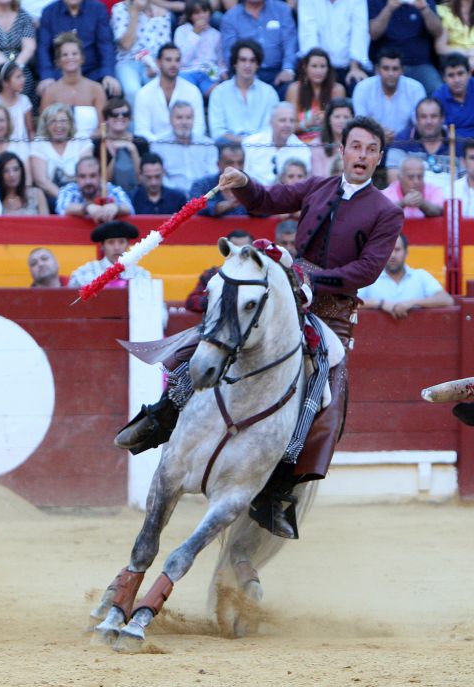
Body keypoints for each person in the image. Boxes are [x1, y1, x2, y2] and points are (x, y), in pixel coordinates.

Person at [120, 115, 405, 540]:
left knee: (329, 388)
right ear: (341, 150)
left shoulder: (386, 211)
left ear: (378, 157)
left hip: (330, 314)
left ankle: (281, 486)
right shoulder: (317, 187)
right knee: (218, 333)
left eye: (370, 149)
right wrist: (241, 182)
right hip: (287, 294)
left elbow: (364, 271)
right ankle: (163, 414)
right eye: (355, 147)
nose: (361, 155)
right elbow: (268, 199)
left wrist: (310, 277)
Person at [36, 0, 120, 100]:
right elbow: (43, 48)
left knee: (112, 89)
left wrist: (108, 73)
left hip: (93, 71)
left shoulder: (98, 9)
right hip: (61, 73)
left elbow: (105, 43)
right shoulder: (49, 12)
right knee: (46, 89)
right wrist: (47, 76)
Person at [358, 233, 455, 316]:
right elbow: (349, 302)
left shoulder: (420, 276)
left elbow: (447, 299)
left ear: (406, 253)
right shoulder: (370, 277)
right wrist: (380, 303)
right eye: (388, 250)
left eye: (397, 249)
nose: (392, 255)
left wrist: (412, 303)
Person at [207, 39, 280, 143]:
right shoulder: (219, 92)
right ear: (235, 64)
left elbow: (268, 131)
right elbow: (218, 132)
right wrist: (245, 142)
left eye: (252, 60)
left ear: (257, 65)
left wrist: (250, 144)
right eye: (243, 60)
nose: (247, 65)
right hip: (228, 149)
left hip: (260, 149)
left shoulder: (269, 93)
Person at [38, 31, 106, 138]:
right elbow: (43, 129)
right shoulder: (50, 92)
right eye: (65, 55)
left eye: (74, 54)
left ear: (82, 58)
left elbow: (103, 128)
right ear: (58, 61)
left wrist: (85, 141)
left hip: (92, 146)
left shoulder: (96, 89)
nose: (70, 58)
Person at [367, 0, 445, 95]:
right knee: (375, 95)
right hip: (388, 65)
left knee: (438, 92)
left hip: (419, 64)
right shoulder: (376, 2)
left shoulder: (424, 1)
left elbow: (438, 32)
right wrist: (388, 9)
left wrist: (425, 9)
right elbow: (373, 34)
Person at [219, 0, 298, 92]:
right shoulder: (230, 17)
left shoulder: (282, 10)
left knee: (291, 88)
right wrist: (249, 75)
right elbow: (230, 53)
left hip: (278, 72)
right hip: (246, 71)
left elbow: (290, 42)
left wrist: (287, 69)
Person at [133, 42, 206, 143]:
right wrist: (164, 145)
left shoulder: (193, 91)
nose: (173, 64)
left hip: (189, 147)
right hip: (155, 150)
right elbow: (142, 131)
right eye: (168, 60)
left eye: (177, 60)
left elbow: (198, 128)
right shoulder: (144, 93)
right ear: (158, 63)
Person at [351, 48, 426, 142]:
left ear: (402, 70)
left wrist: (400, 137)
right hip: (371, 141)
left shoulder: (416, 89)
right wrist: (378, 134)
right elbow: (360, 121)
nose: (391, 73)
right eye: (386, 68)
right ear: (377, 70)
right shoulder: (363, 88)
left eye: (395, 69)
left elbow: (419, 122)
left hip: (405, 143)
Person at [110, 0, 172, 109]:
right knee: (133, 91)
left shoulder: (162, 12)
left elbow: (165, 48)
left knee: (160, 91)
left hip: (154, 63)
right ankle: (136, 126)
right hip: (127, 61)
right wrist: (135, 13)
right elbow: (126, 45)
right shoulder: (119, 8)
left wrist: (155, 65)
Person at [297, 0, 371, 90]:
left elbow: (360, 31)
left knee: (358, 85)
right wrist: (317, 67)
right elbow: (308, 35)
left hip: (349, 66)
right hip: (318, 65)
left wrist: (354, 67)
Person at [28, 103, 91, 206]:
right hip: (52, 197)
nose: (59, 126)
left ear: (70, 123)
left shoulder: (81, 139)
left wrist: (76, 199)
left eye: (63, 121)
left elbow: (87, 171)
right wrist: (65, 199)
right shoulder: (39, 143)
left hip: (81, 194)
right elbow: (41, 180)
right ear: (46, 125)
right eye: (53, 121)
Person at [183, 228, 256, 313]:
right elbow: (191, 302)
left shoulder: (262, 274)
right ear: (226, 249)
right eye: (234, 248)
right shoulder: (214, 274)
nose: (239, 252)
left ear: (253, 249)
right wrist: (218, 299)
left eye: (244, 248)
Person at [152, 100, 217, 195]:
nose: (184, 122)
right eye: (179, 117)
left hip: (203, 196)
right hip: (173, 196)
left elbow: (212, 174)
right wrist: (178, 194)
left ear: (193, 119)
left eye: (188, 117)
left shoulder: (208, 144)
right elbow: (161, 177)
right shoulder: (158, 145)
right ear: (170, 120)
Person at [386, 95, 452, 186]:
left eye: (433, 116)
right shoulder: (402, 141)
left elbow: (466, 182)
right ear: (416, 119)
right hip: (412, 199)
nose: (429, 121)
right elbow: (394, 182)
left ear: (442, 119)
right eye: (423, 117)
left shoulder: (456, 143)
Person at [243, 102, 313, 185]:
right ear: (271, 122)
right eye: (282, 120)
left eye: (292, 121)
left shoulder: (302, 150)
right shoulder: (251, 143)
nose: (288, 125)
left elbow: (302, 183)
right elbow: (244, 174)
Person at [287, 47, 347, 143]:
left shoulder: (338, 90)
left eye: (323, 66)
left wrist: (327, 121)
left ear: (328, 69)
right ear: (305, 68)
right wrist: (307, 123)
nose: (319, 71)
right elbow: (288, 126)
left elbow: (343, 124)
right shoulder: (294, 89)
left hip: (329, 144)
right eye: (314, 66)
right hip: (300, 144)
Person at [68, 219, 150, 288]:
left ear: (128, 245)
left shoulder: (140, 274)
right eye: (111, 243)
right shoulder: (84, 272)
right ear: (102, 246)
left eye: (121, 242)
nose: (117, 247)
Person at [92, 97, 150, 192]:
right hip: (109, 194)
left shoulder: (141, 142)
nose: (120, 117)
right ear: (106, 119)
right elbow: (102, 180)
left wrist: (132, 149)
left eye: (125, 114)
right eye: (114, 114)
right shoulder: (98, 144)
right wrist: (116, 155)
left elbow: (142, 179)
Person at [432, 52, 474, 138]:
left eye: (460, 74)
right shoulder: (438, 97)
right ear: (444, 78)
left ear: (469, 73)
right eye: (451, 75)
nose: (457, 80)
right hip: (454, 145)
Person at [56, 154, 135, 219]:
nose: (88, 181)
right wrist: (87, 208)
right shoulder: (69, 190)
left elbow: (130, 209)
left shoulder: (112, 190)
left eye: (93, 176)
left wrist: (117, 208)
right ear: (76, 178)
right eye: (82, 176)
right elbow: (62, 209)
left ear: (100, 177)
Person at [173, 0, 222, 97]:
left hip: (208, 72)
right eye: (197, 13)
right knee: (188, 93)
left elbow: (220, 60)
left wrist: (223, 71)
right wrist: (195, 34)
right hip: (187, 71)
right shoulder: (181, 31)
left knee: (217, 92)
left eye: (205, 11)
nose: (202, 15)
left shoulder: (216, 34)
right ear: (190, 15)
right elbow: (182, 60)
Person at [190, 143, 249, 216]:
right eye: (230, 163)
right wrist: (222, 206)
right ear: (219, 164)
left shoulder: (252, 186)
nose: (236, 168)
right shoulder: (202, 184)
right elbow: (194, 208)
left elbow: (264, 213)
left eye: (240, 163)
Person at [308, 98, 353, 178]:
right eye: (337, 117)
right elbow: (318, 180)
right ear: (329, 119)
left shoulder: (357, 144)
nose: (341, 121)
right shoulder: (316, 145)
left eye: (346, 117)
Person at [0, 150, 48, 214]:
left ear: (22, 171)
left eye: (16, 169)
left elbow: (46, 223)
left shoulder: (36, 194)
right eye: (6, 171)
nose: (11, 174)